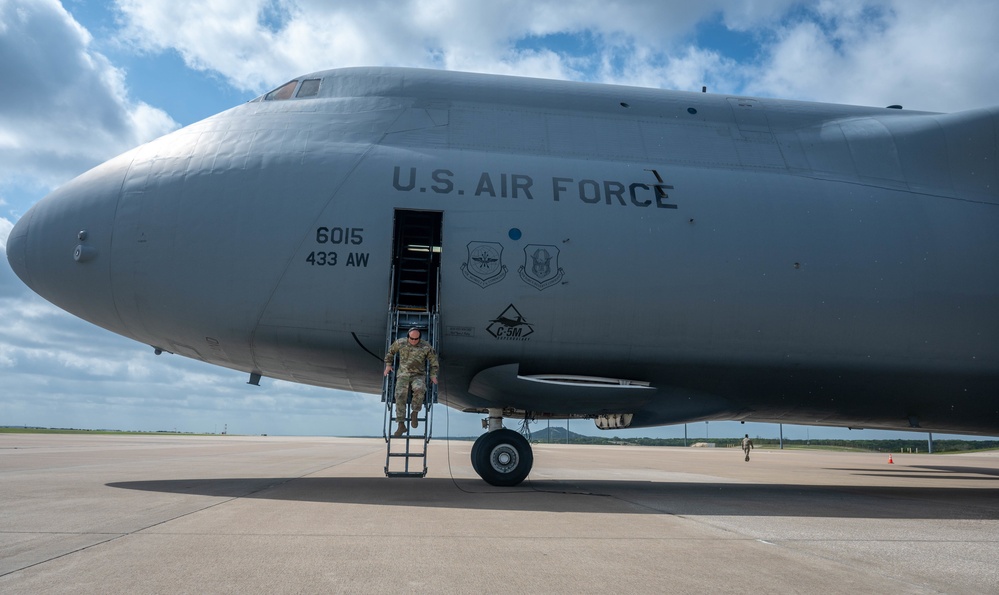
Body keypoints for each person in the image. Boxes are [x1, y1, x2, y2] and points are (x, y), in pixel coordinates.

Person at [384, 328, 439, 437]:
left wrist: (433, 375)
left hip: (418, 375)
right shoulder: (400, 343)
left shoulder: (426, 346)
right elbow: (390, 352)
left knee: (420, 389)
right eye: (411, 338)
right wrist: (388, 365)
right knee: (399, 394)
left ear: (419, 338)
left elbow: (434, 362)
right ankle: (401, 424)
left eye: (416, 339)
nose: (413, 341)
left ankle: (415, 413)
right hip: (403, 374)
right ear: (408, 336)